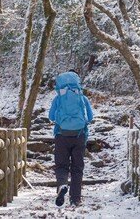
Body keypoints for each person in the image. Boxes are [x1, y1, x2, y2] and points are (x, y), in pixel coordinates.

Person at [48, 70, 94, 207]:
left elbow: (51, 117)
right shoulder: (82, 98)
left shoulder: (58, 98)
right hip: (79, 136)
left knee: (61, 165)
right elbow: (90, 118)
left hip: (61, 135)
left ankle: (62, 185)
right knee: (77, 168)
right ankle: (75, 199)